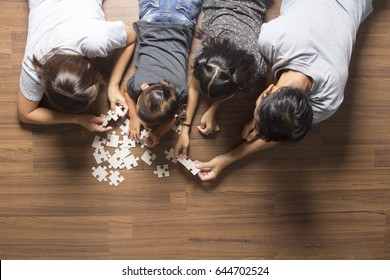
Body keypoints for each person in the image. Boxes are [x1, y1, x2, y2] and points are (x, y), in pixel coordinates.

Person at [195, 0, 374, 181]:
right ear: (268, 90)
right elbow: (285, 129)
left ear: (270, 90)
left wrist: (228, 158)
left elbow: (284, 132)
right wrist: (259, 121)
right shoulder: (271, 39)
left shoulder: (329, 98)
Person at [17, 0, 136, 132]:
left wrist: (114, 85)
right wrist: (77, 119)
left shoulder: (93, 41)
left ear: (89, 67)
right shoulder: (35, 65)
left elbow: (131, 35)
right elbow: (24, 114)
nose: (96, 98)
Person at [174, 0, 268, 159]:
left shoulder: (257, 66)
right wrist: (185, 130)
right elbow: (195, 87)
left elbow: (197, 87)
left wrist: (213, 109)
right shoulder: (204, 56)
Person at [124, 0, 202, 147]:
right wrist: (135, 116)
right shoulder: (139, 84)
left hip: (182, 21)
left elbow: (176, 116)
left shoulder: (180, 92)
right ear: (145, 87)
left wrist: (135, 117)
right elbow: (126, 91)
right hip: (151, 17)